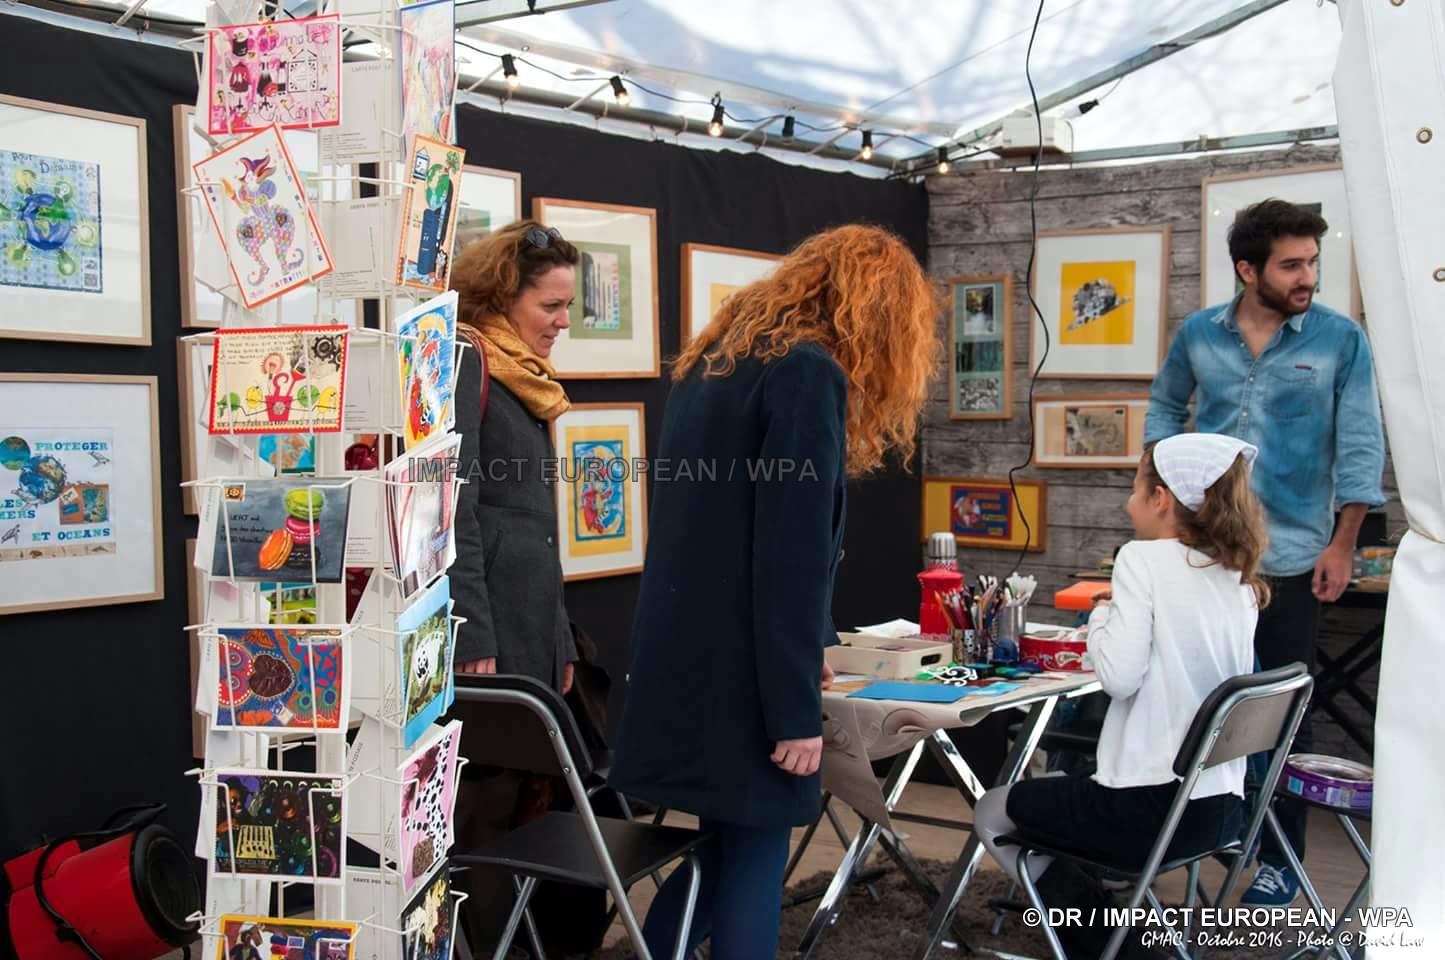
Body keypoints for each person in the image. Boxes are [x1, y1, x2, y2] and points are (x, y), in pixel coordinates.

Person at [607, 224, 940, 959]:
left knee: (725, 850)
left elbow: (730, 534)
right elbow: (788, 554)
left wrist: (810, 647)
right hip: (743, 677)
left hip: (690, 658)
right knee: (753, 856)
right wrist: (792, 712)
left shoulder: (718, 364)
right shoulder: (806, 372)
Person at [1144, 198, 1385, 906]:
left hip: (1291, 557)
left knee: (1281, 712)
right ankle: (1183, 841)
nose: (1307, 276)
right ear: (1248, 270)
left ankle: (1280, 860)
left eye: (1312, 262)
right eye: (1291, 265)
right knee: (1192, 701)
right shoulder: (1199, 334)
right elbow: (1164, 408)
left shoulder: (1340, 340)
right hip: (1205, 556)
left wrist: (1343, 544)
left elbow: (1361, 442)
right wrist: (1163, 488)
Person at [975, 434, 1267, 959]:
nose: (1128, 503)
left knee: (993, 810)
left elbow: (1117, 678)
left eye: (1135, 489)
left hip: (1148, 811)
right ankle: (1116, 936)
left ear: (1162, 499)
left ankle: (1107, 945)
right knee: (1062, 793)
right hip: (1220, 810)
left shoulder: (1141, 559)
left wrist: (1100, 614)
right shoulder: (1238, 577)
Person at [446, 220, 581, 944]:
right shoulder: (470, 363)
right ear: (504, 297)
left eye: (567, 307)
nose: (562, 322)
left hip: (529, 629)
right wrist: (473, 632)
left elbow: (537, 528)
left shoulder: (525, 377)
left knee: (517, 805)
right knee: (482, 812)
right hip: (489, 634)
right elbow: (454, 509)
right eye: (549, 306)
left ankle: (513, 942)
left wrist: (559, 635)